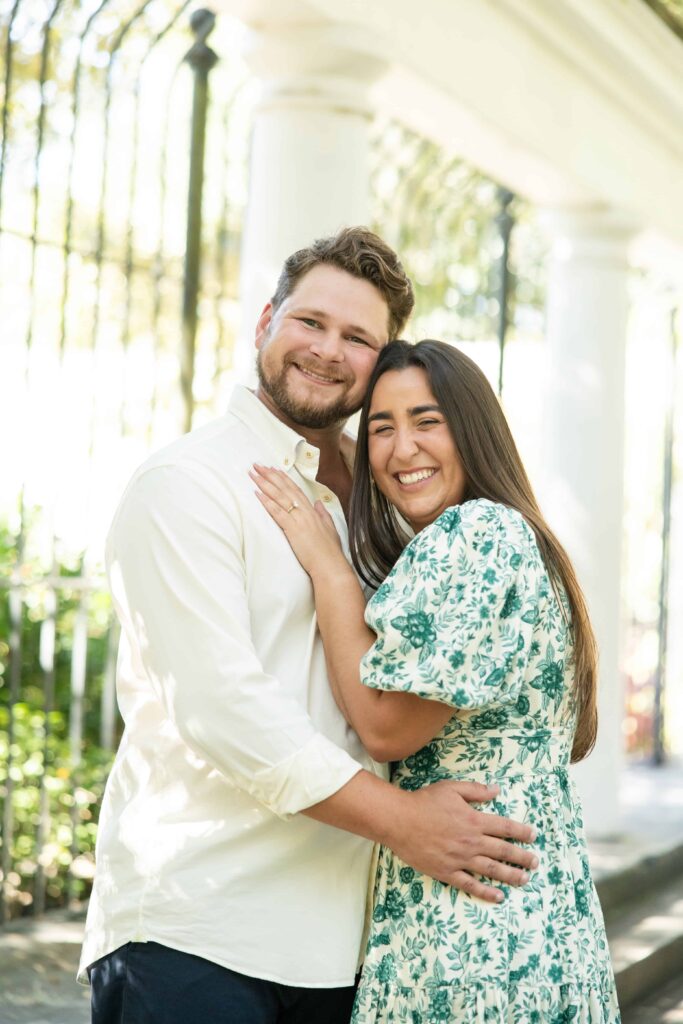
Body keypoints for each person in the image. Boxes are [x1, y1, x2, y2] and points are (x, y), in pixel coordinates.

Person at [79, 229, 538, 1024]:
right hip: (198, 930)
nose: (328, 351)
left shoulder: (390, 495)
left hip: (349, 947)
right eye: (309, 323)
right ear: (264, 322)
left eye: (357, 337)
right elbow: (224, 712)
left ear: (382, 360)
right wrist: (406, 824)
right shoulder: (187, 484)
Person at [252, 338, 621, 1023]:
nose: (400, 449)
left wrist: (328, 568)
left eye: (426, 421)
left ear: (472, 429)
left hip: (473, 938)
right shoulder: (505, 538)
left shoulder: (477, 534)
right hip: (537, 922)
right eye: (381, 428)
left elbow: (387, 728)